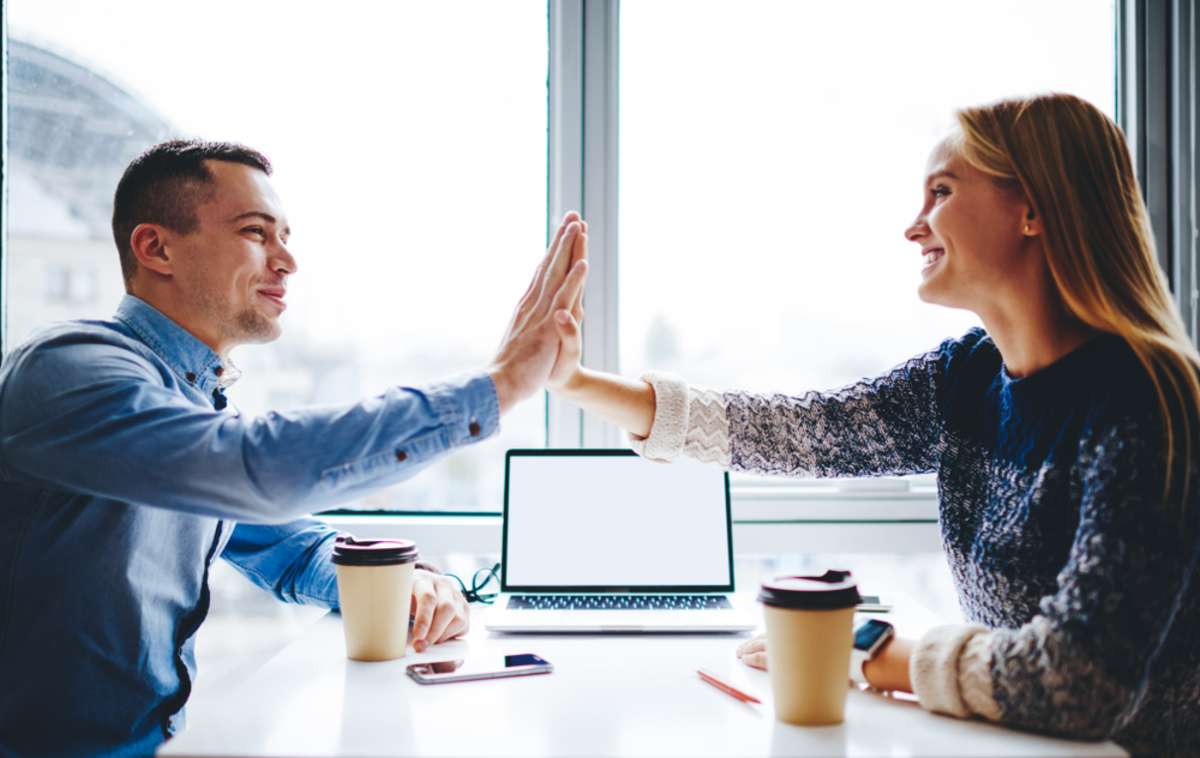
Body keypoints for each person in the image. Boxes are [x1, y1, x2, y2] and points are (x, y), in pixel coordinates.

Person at [545, 94, 1200, 755]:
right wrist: (573, 382)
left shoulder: (1145, 401)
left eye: (940, 192)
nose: (914, 228)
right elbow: (794, 433)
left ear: (1033, 208)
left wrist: (860, 649)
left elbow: (1076, 681)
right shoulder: (966, 377)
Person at [0, 139, 588, 757]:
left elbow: (288, 544)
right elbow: (253, 469)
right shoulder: (69, 371)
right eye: (257, 233)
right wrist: (496, 387)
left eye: (285, 236)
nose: (287, 261)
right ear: (156, 247)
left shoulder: (192, 400)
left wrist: (405, 583)